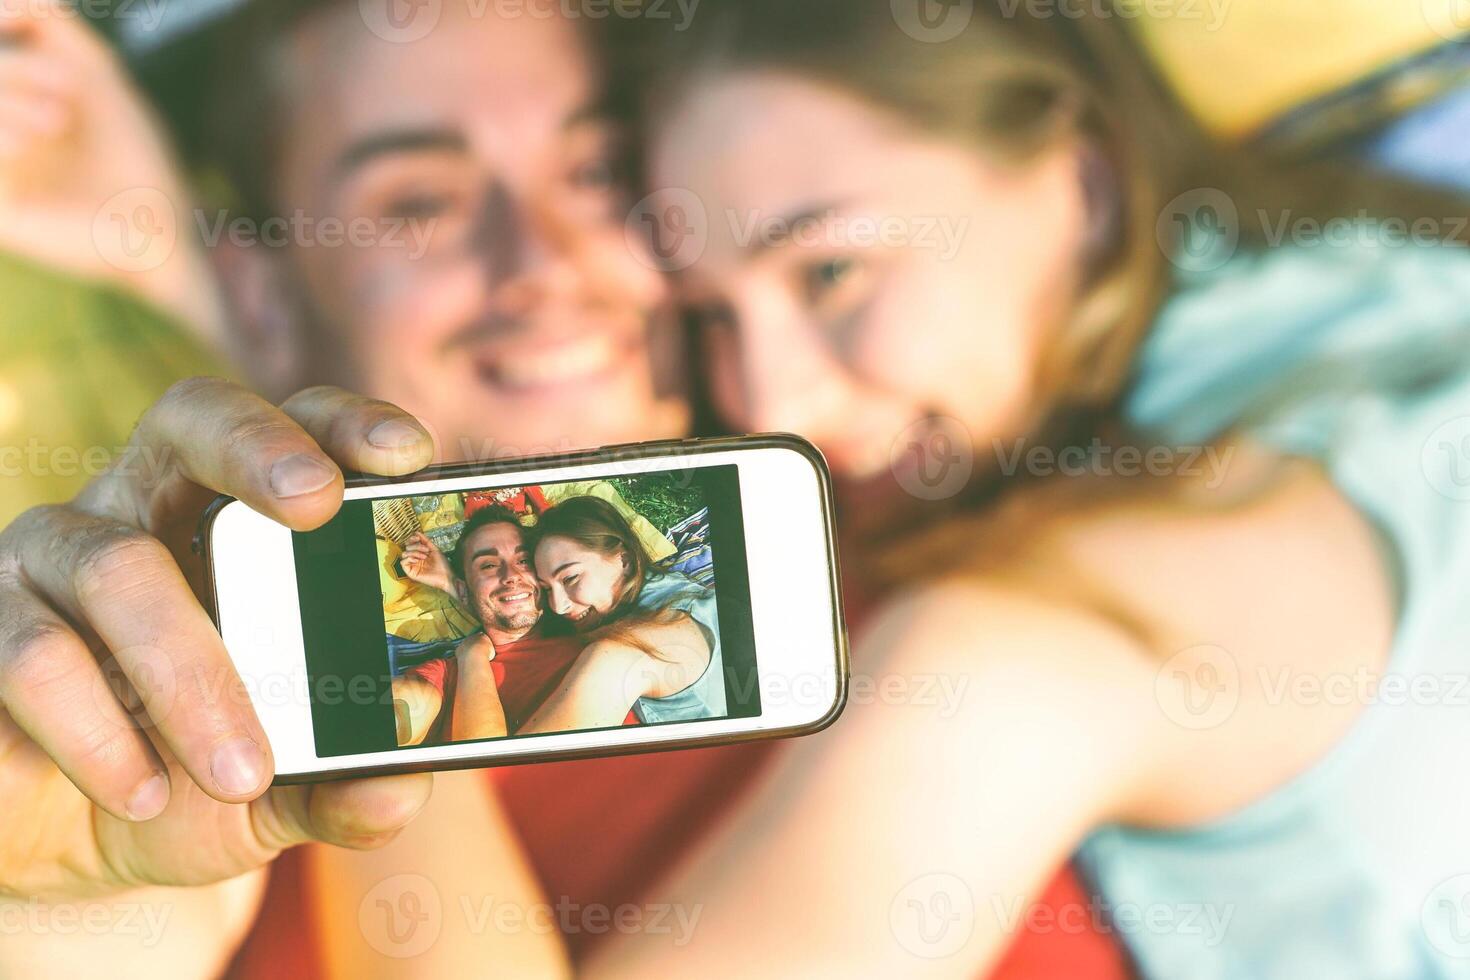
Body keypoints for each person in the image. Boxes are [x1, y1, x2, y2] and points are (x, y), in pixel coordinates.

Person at [555, 3, 1470, 977]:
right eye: (710, 318)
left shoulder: (1018, 657)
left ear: (1088, 180)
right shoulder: (1373, 280)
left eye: (831, 270)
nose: (772, 400)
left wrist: (384, 682)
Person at [519, 495, 724, 733]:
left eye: (570, 578)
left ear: (624, 559)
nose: (557, 606)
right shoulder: (664, 587)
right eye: (546, 589)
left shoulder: (623, 655)